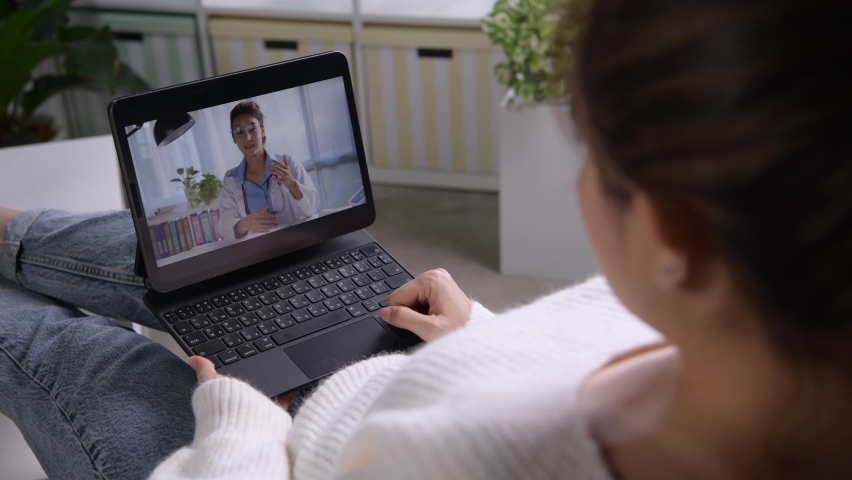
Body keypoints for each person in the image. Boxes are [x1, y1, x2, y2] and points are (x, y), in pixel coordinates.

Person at [1, 0, 851, 478]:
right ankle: (10, 230)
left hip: (280, 444)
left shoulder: (469, 462)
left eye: (589, 150)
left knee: (75, 352)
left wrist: (241, 427)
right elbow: (555, 372)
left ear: (670, 230)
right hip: (397, 360)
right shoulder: (705, 320)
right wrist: (479, 335)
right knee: (165, 262)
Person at [217, 101, 319, 240]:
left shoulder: (288, 163)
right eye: (239, 131)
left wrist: (293, 186)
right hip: (259, 249)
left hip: (296, 242)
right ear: (233, 138)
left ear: (263, 130)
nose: (247, 137)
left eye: (252, 128)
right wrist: (244, 224)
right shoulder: (231, 179)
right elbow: (224, 226)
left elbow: (311, 209)